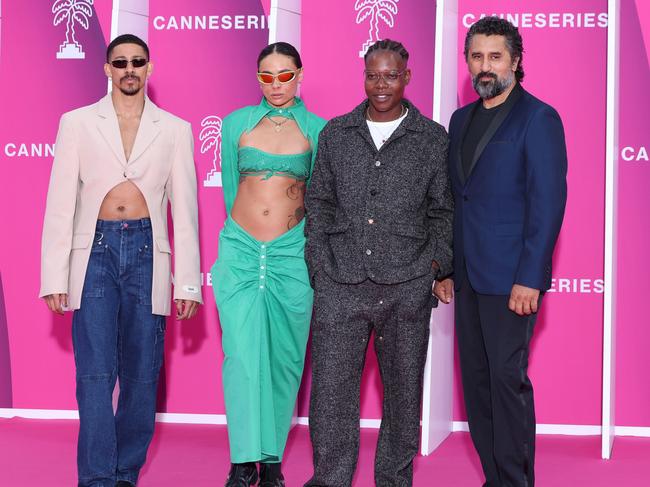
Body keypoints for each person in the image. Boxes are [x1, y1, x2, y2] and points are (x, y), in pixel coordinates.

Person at [40, 34, 202, 487]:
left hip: (150, 253)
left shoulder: (175, 128)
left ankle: (125, 472)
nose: (129, 69)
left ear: (149, 68)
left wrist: (187, 282)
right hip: (94, 251)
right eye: (120, 62)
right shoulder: (76, 123)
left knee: (142, 374)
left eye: (137, 62)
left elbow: (185, 211)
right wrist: (54, 274)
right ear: (107, 69)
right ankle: (96, 478)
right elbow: (60, 202)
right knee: (93, 373)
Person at [304, 39, 453, 487]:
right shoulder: (336, 132)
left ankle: (394, 481)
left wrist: (433, 267)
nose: (381, 84)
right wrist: (319, 265)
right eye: (373, 74)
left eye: (391, 75)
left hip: (406, 284)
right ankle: (329, 479)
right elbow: (319, 202)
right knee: (329, 398)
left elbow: (443, 211)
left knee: (404, 398)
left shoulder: (432, 138)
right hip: (340, 283)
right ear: (364, 76)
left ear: (407, 77)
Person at [434, 17, 567, 487]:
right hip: (469, 277)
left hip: (513, 280)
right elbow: (456, 199)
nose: (485, 66)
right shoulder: (460, 119)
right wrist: (448, 267)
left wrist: (530, 276)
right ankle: (495, 479)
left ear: (515, 61)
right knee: (478, 387)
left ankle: (514, 482)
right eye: (476, 56)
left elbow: (547, 204)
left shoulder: (539, 118)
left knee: (506, 384)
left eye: (495, 56)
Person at [210, 42, 326, 487]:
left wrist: (293, 243)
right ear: (257, 77)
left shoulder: (317, 129)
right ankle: (242, 462)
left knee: (284, 359)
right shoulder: (236, 123)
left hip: (292, 255)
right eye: (266, 76)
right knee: (240, 357)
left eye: (284, 75)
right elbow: (230, 190)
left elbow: (318, 197)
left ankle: (272, 461)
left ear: (299, 75)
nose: (275, 85)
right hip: (240, 253)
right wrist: (241, 238)